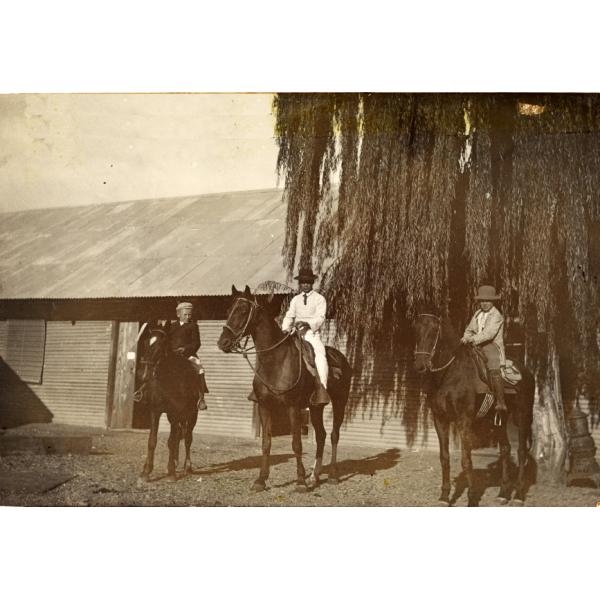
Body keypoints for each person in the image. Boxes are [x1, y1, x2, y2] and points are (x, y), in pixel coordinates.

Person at [281, 268, 330, 406]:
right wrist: (285, 329)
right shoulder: (296, 300)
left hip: (311, 334)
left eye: (308, 282)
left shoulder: (319, 299)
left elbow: (321, 318)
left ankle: (322, 388)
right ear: (300, 284)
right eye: (303, 282)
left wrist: (308, 323)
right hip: (295, 333)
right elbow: (289, 315)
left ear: (312, 283)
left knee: (320, 356)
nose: (305, 285)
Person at [460, 285, 507, 412]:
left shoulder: (497, 316)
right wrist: (465, 337)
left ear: (493, 301)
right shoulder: (477, 314)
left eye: (487, 300)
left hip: (491, 345)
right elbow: (469, 329)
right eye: (482, 301)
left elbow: (488, 334)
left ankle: (500, 401)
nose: (484, 303)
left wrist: (472, 339)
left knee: (493, 364)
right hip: (475, 344)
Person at [169, 301, 208, 411]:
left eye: (189, 315)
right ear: (178, 314)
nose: (187, 317)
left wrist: (185, 349)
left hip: (188, 355)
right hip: (172, 355)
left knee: (199, 368)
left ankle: (201, 397)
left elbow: (197, 343)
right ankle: (144, 390)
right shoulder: (172, 326)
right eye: (185, 314)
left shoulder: (193, 326)